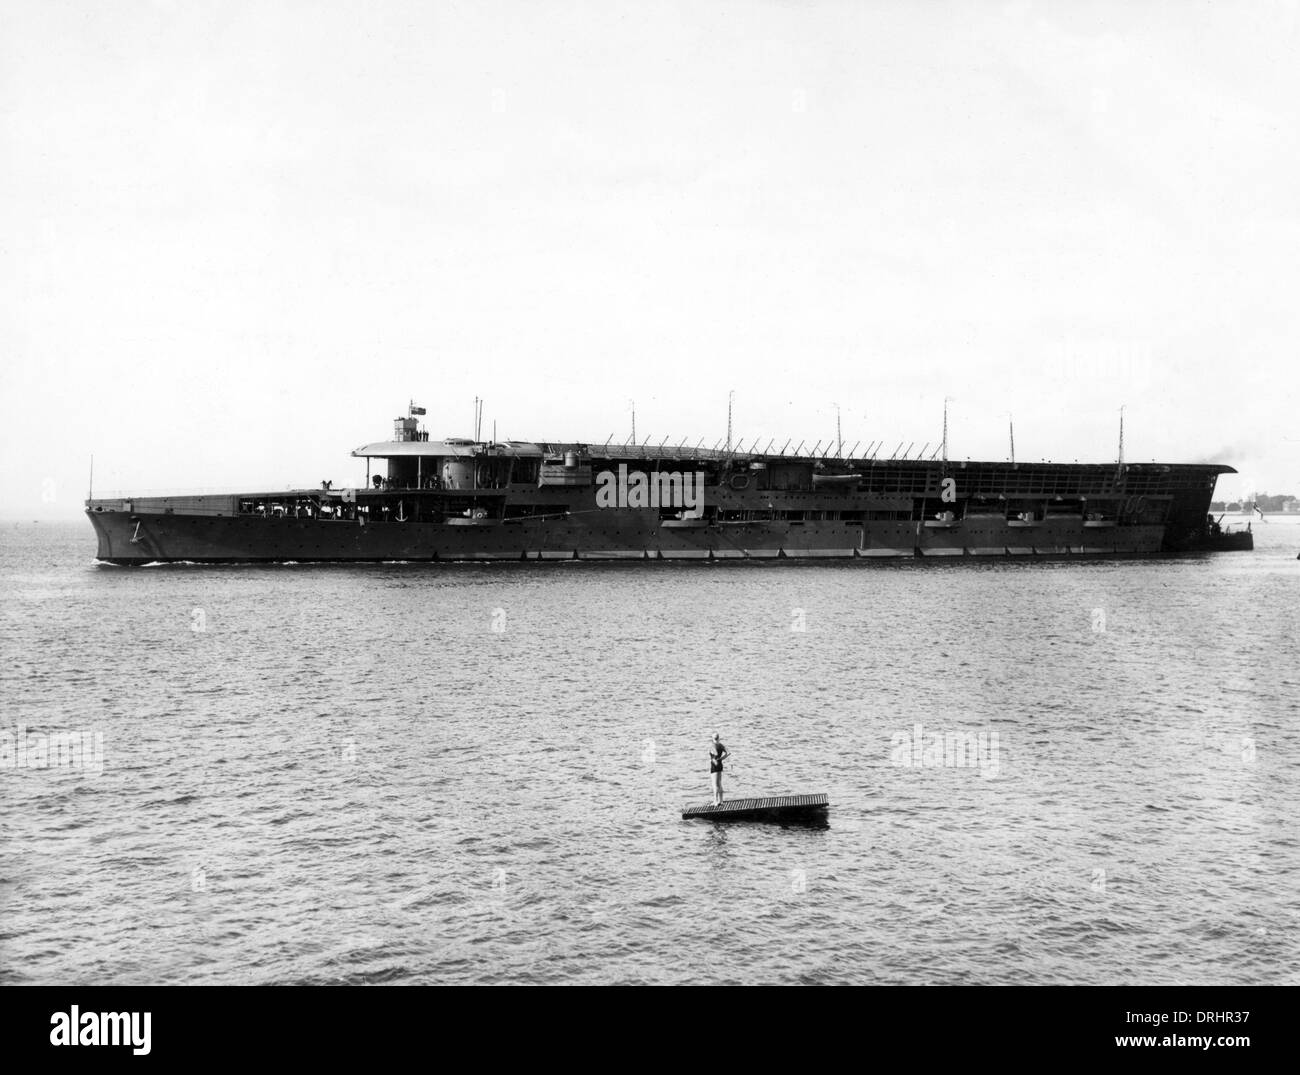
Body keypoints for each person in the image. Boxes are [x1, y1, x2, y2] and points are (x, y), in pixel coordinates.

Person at [709, 733, 730, 806]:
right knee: (720, 784)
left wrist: (714, 760)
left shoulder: (712, 746)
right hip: (720, 765)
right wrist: (721, 759)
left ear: (712, 738)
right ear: (718, 738)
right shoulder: (721, 745)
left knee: (715, 785)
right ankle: (721, 801)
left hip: (714, 766)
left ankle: (715, 801)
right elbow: (728, 753)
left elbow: (714, 754)